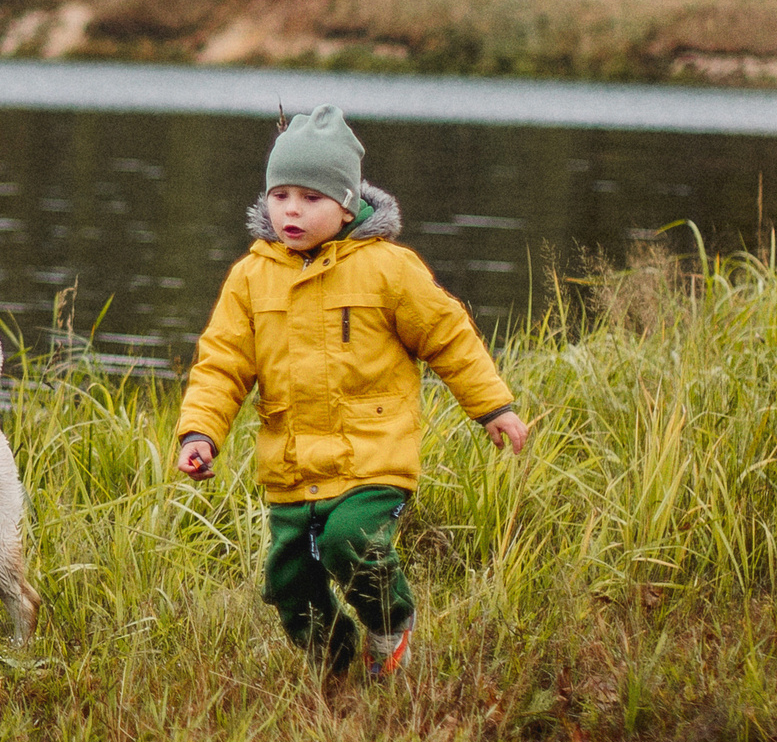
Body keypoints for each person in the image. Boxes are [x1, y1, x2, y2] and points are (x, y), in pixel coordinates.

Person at [174, 105, 528, 682]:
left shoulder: (388, 268)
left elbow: (448, 337)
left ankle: (391, 624)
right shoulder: (251, 276)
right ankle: (339, 669)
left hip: (372, 457)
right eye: (280, 194)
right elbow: (221, 365)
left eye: (311, 197)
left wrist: (493, 407)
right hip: (291, 467)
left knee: (350, 543)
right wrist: (200, 432)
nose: (292, 208)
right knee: (290, 585)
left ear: (346, 203)